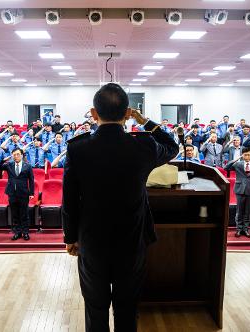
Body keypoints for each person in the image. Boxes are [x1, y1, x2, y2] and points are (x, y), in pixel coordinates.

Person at [62, 83, 178, 332]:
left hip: (92, 242)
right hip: (132, 241)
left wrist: (70, 238)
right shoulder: (144, 146)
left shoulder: (77, 148)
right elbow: (172, 146)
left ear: (94, 113)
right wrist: (144, 121)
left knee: (96, 309)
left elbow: (69, 200)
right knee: (127, 309)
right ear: (127, 113)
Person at [0, 148, 35, 241]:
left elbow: (31, 180)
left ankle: (25, 232)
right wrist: (3, 160)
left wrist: (31, 193)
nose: (16, 156)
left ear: (22, 155)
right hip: (12, 193)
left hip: (23, 193)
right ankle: (17, 232)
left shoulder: (28, 166)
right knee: (15, 214)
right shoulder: (9, 165)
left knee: (24, 213)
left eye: (18, 154)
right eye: (14, 154)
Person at [225, 147, 250, 238]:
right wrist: (236, 159)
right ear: (242, 155)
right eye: (245, 155)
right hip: (240, 189)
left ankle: (245, 229)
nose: (247, 156)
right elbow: (226, 167)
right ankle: (238, 229)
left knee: (248, 211)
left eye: (249, 154)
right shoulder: (238, 164)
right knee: (239, 211)